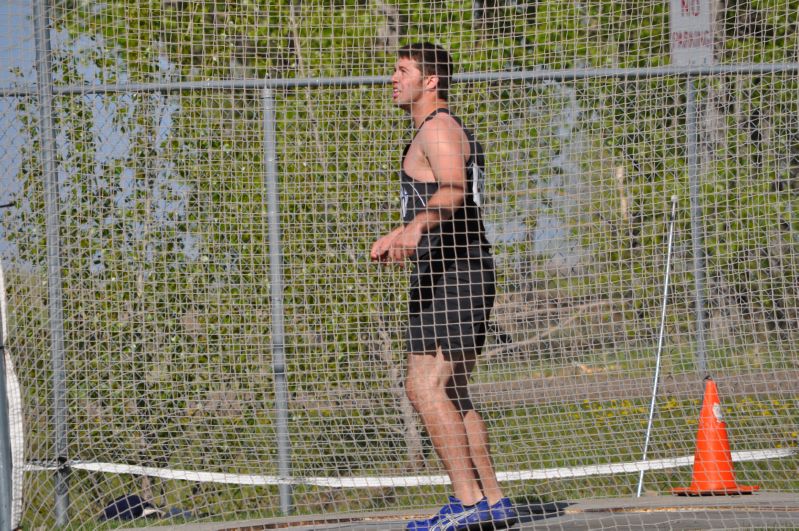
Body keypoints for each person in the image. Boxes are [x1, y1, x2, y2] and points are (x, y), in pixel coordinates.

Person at [370, 42, 518, 531]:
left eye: (402, 70)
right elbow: (443, 198)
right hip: (445, 271)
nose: (392, 78)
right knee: (450, 390)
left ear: (429, 81)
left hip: (457, 272)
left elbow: (453, 188)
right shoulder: (430, 130)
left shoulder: (438, 127)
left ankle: (468, 503)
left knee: (425, 387)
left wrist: (413, 229)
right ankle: (493, 501)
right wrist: (400, 231)